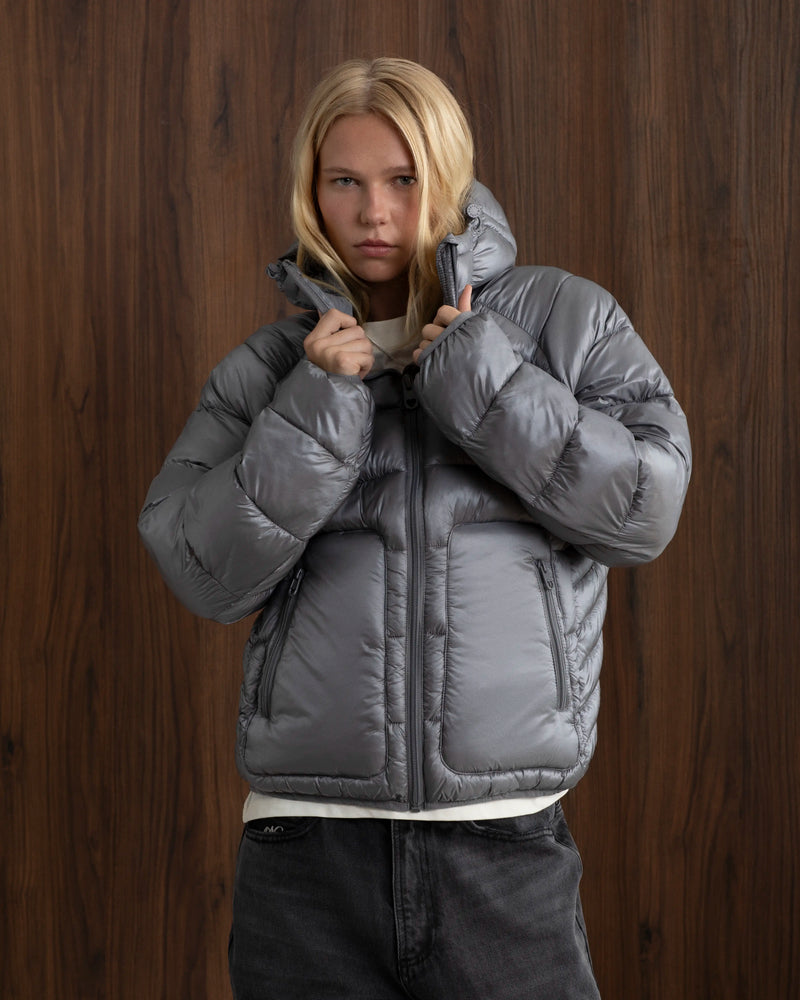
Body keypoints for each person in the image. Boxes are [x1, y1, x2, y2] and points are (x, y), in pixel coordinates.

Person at [138, 57, 691, 1000]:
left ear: (450, 175)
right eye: (344, 181)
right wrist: (316, 407)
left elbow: (645, 510)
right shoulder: (272, 370)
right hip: (306, 857)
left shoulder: (566, 321)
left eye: (404, 178)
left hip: (503, 849)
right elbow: (200, 569)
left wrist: (489, 384)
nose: (375, 212)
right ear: (312, 192)